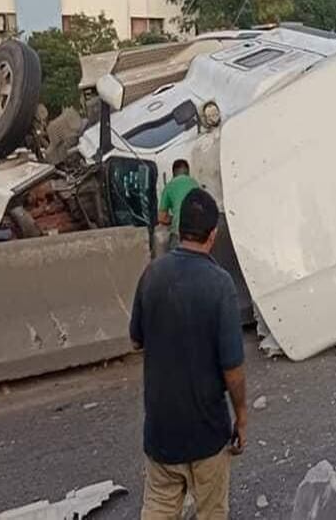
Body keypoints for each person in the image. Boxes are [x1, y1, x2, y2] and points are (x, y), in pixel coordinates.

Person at [131, 188, 247, 520]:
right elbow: (233, 369)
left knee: (158, 507)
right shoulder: (220, 285)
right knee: (211, 511)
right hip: (207, 434)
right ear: (213, 234)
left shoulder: (151, 274)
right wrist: (241, 415)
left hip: (161, 434)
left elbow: (136, 339)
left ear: (180, 229)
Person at [158, 159, 200, 249]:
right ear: (188, 172)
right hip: (198, 234)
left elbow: (161, 217)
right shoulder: (196, 184)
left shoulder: (169, 186)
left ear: (173, 173)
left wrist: (173, 219)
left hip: (179, 233)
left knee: (175, 261)